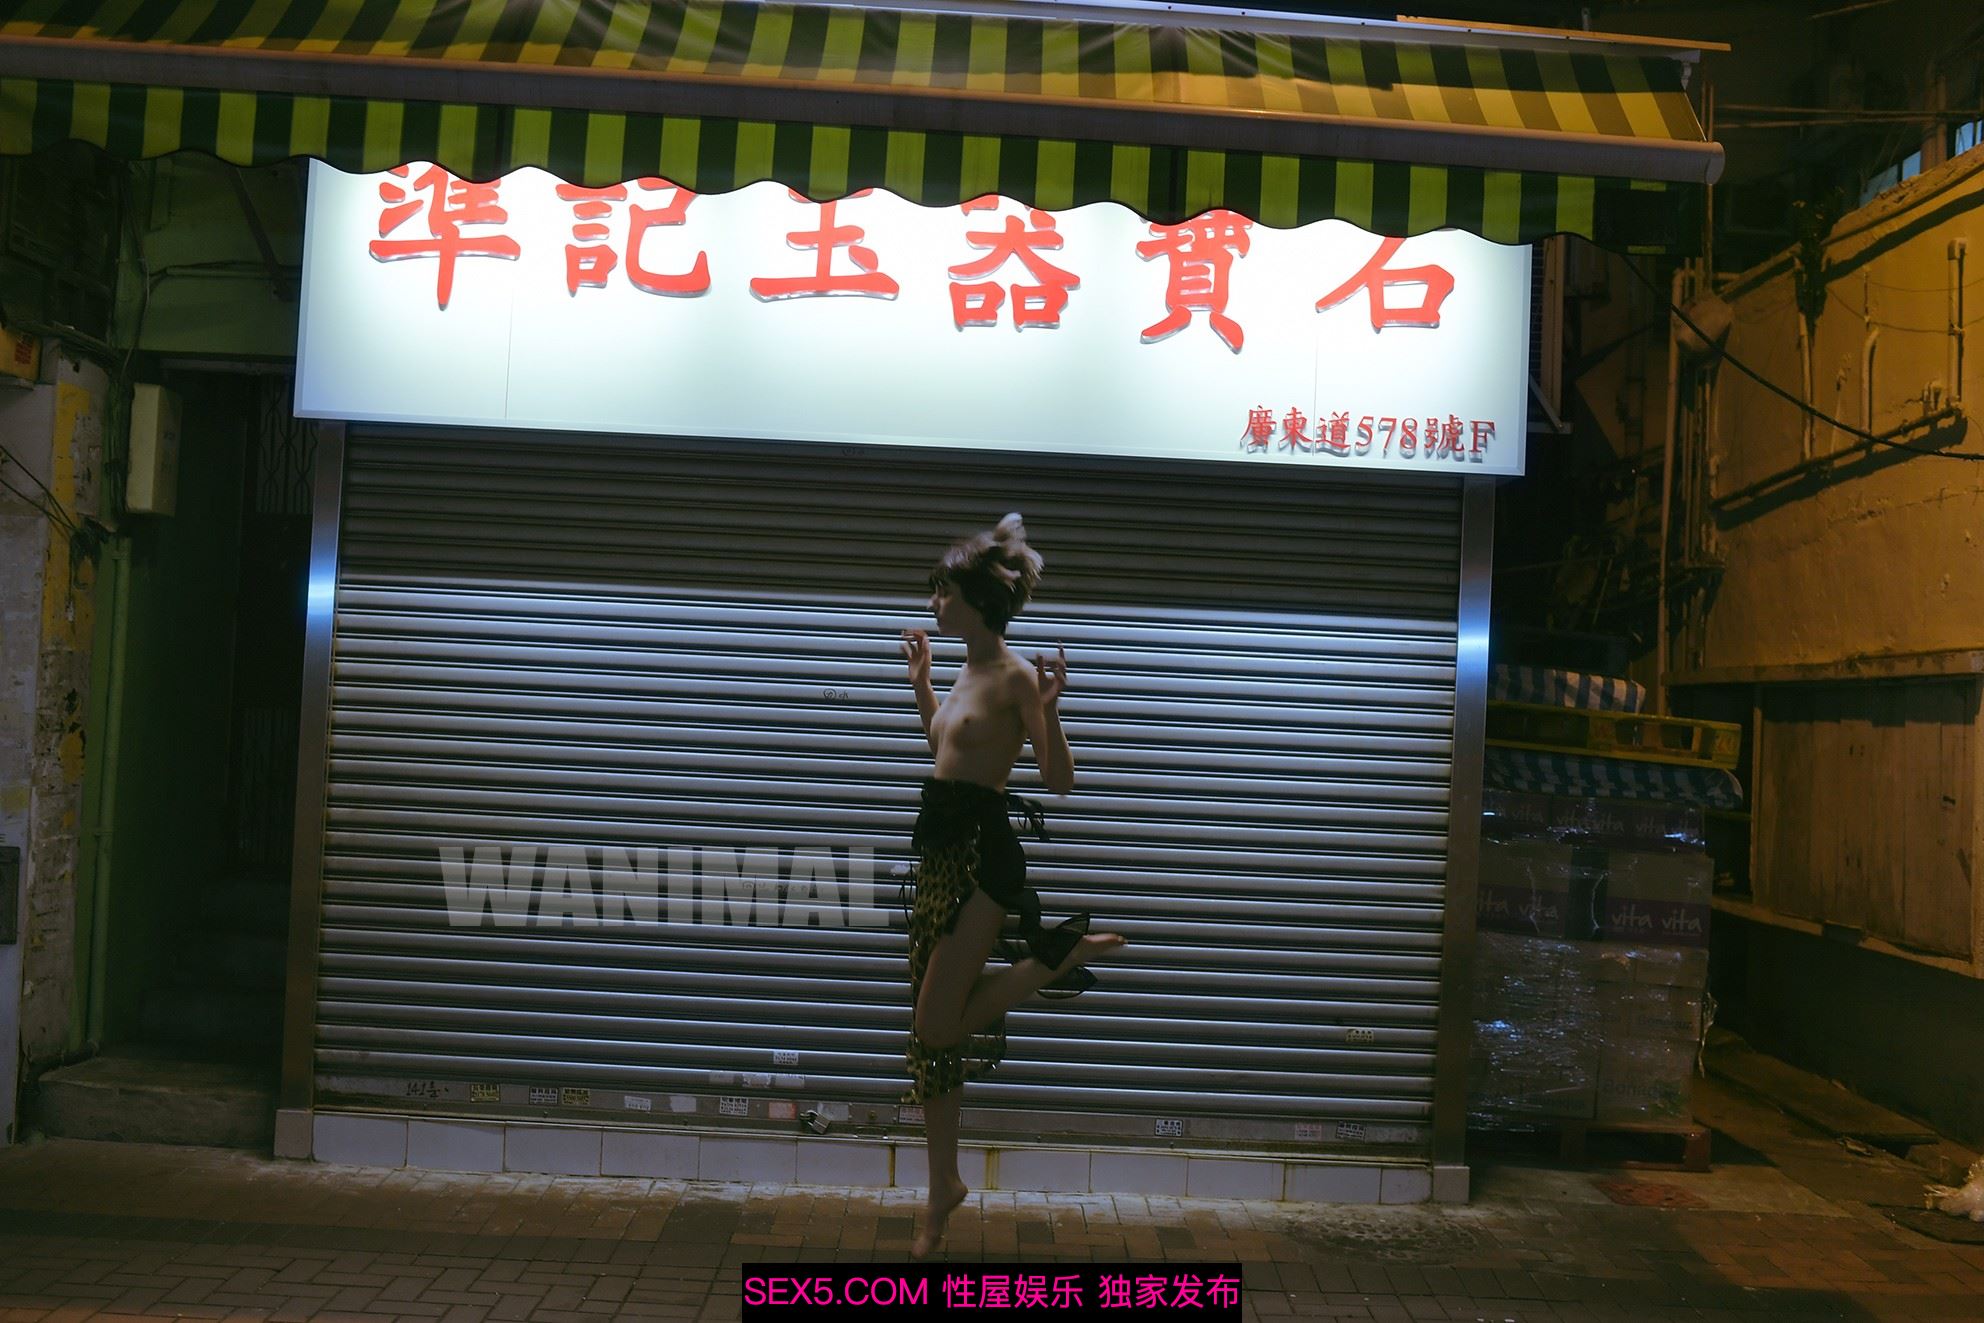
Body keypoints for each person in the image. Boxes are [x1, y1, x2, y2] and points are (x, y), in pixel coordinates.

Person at [896, 513, 1127, 1260]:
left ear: (977, 602)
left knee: (936, 1025)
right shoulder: (964, 670)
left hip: (979, 862)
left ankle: (1056, 957)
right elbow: (946, 749)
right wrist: (923, 687)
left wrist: (1050, 715)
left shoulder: (1019, 676)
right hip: (939, 857)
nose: (934, 605)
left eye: (944, 593)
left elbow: (1059, 780)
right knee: (934, 1039)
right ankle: (942, 1187)